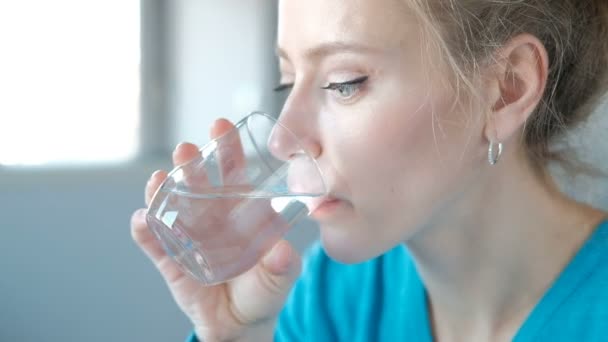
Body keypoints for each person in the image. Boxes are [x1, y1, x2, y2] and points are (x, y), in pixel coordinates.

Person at [130, 0, 608, 341]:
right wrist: (237, 338)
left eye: (344, 84)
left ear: (507, 88)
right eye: (287, 83)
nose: (280, 139)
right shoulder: (329, 299)